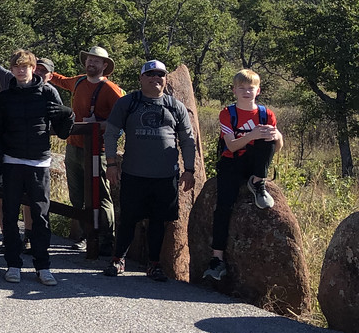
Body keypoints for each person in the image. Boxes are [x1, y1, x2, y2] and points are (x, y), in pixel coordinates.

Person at [102, 61, 197, 281]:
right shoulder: (129, 103)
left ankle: (154, 265)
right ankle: (118, 260)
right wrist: (112, 164)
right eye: (150, 74)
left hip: (166, 176)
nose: (156, 78)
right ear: (141, 78)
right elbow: (111, 133)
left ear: (165, 79)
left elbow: (187, 140)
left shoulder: (175, 106)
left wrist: (189, 170)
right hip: (134, 174)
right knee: (128, 219)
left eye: (160, 75)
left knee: (159, 221)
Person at [0, 50, 74, 285]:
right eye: (16, 66)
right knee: (10, 214)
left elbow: (64, 130)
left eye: (25, 66)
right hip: (12, 160)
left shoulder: (48, 92)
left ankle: (43, 266)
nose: (20, 70)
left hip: (39, 161)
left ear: (33, 67)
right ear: (12, 69)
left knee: (40, 216)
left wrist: (69, 114)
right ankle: (13, 264)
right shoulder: (4, 97)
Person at [204, 69, 283, 285]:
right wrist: (252, 135)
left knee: (269, 138)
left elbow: (275, 148)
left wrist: (278, 137)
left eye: (251, 88)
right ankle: (216, 259)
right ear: (234, 90)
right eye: (242, 88)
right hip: (231, 163)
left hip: (253, 165)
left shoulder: (267, 114)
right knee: (224, 206)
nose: (246, 92)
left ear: (258, 91)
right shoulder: (227, 114)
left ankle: (258, 183)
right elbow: (231, 144)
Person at [47, 47, 124, 255]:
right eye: (89, 59)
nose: (91, 63)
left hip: (97, 151)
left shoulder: (111, 90)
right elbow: (61, 80)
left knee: (101, 197)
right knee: (77, 197)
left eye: (96, 61)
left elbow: (121, 120)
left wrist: (99, 125)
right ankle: (84, 236)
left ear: (104, 66)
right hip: (73, 147)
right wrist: (44, 72)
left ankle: (107, 241)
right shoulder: (79, 81)